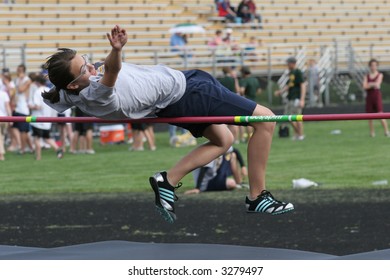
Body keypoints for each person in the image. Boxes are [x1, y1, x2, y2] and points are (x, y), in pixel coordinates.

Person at [43, 25, 294, 223]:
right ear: (74, 84)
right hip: (188, 93)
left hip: (181, 88)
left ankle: (167, 180)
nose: (89, 65)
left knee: (225, 140)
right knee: (266, 120)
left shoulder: (70, 91)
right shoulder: (96, 92)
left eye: (85, 58)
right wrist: (117, 50)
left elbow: (58, 93)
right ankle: (257, 197)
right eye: (83, 68)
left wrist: (66, 80)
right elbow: (111, 70)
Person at [28, 75, 63, 160]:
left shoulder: (37, 91)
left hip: (38, 119)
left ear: (37, 82)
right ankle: (58, 149)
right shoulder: (49, 90)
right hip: (48, 119)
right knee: (47, 138)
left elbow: (38, 106)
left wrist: (30, 106)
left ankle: (38, 156)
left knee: (37, 138)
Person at [275, 57, 306, 141]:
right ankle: (297, 134)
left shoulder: (298, 72)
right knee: (289, 117)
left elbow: (302, 85)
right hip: (291, 98)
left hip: (296, 98)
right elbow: (289, 85)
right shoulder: (291, 73)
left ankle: (300, 134)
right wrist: (280, 92)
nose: (287, 65)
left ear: (292, 63)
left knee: (297, 117)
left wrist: (302, 99)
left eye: (288, 63)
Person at [363, 59, 389, 137]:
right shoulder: (366, 76)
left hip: (376, 96)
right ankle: (372, 133)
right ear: (369, 66)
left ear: (377, 66)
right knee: (369, 116)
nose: (373, 67)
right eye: (372, 65)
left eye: (375, 65)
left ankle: (386, 131)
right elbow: (364, 86)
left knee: (380, 114)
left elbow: (377, 84)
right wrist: (372, 84)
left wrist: (369, 84)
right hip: (369, 97)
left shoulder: (380, 75)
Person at [11, 64, 34, 153]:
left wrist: (20, 79)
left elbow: (20, 90)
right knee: (21, 130)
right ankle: (31, 148)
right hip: (17, 108)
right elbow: (15, 93)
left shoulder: (27, 80)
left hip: (23, 109)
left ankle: (22, 149)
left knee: (23, 130)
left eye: (19, 70)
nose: (17, 72)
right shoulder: (17, 80)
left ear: (23, 71)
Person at [0, 88, 12, 161]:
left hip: (3, 118)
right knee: (2, 137)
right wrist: (10, 118)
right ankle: (1, 154)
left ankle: (1, 155)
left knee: (0, 137)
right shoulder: (4, 94)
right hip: (4, 118)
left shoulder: (4, 94)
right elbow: (7, 106)